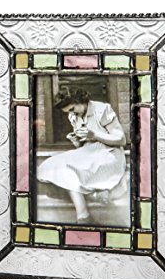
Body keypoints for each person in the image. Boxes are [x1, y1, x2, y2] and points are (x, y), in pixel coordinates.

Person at [37, 87, 127, 224]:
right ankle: (87, 207)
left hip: (109, 153)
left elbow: (121, 139)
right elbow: (82, 146)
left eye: (72, 109)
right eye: (68, 112)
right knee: (52, 165)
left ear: (79, 100)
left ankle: (84, 215)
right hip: (89, 152)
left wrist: (94, 135)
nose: (72, 114)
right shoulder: (73, 116)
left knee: (69, 168)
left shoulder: (102, 109)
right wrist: (76, 141)